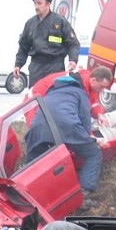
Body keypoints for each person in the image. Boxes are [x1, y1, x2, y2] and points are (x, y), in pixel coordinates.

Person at [24, 75, 101, 209]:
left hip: (36, 131)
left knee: (32, 166)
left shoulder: (49, 94)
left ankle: (27, 196)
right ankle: (81, 197)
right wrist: (89, 138)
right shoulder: (80, 93)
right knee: (93, 154)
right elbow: (85, 119)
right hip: (68, 127)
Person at [13, 0, 80, 87]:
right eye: (35, 3)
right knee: (35, 97)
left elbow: (73, 43)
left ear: (48, 4)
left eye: (40, 3)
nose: (36, 6)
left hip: (55, 66)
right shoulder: (30, 23)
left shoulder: (60, 21)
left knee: (53, 96)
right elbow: (23, 46)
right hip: (36, 66)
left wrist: (73, 60)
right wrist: (18, 64)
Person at [26, 66, 113, 125]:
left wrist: (99, 115)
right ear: (93, 80)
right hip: (35, 99)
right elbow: (80, 117)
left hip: (46, 98)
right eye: (101, 86)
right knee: (39, 127)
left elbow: (92, 102)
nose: (102, 90)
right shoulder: (78, 87)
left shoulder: (88, 83)